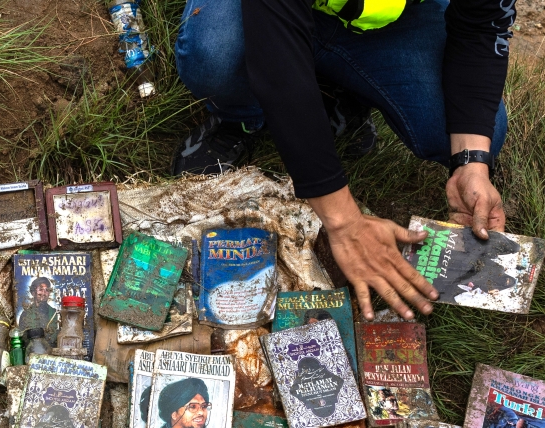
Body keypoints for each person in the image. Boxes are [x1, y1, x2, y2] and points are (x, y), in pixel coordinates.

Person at [171, 0, 513, 321]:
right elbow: (277, 56)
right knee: (215, 55)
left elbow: (481, 28)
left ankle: (345, 91)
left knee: (477, 130)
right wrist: (345, 223)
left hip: (382, 20)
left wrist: (471, 162)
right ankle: (239, 116)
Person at [18, 277, 59, 343]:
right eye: (41, 289)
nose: (44, 293)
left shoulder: (54, 313)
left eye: (47, 290)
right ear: (33, 292)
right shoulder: (25, 314)